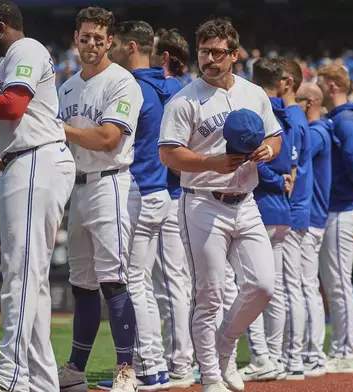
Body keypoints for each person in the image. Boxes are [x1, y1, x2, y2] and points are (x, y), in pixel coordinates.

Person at [158, 18, 281, 392]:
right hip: (202, 203)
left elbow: (275, 137)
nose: (209, 59)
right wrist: (209, 163)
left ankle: (224, 347)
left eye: (217, 52)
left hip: (246, 203)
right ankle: (209, 375)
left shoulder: (253, 93)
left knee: (262, 285)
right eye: (204, 51)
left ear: (234, 54)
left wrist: (267, 151)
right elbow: (168, 154)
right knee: (209, 294)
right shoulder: (184, 99)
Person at [0, 1, 76, 391]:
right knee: (29, 279)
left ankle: (10, 376)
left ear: (0, 27)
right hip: (25, 161)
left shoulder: (26, 48)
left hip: (37, 158)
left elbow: (14, 105)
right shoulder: (10, 59)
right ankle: (41, 380)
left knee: (20, 275)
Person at [55, 8, 143, 392]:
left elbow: (109, 138)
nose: (92, 44)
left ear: (110, 42)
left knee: (112, 280)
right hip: (77, 185)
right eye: (85, 36)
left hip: (110, 183)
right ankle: (75, 369)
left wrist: (60, 128)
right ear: (76, 38)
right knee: (82, 284)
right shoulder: (67, 86)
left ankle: (126, 371)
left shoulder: (122, 82)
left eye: (99, 38)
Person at [109, 19, 183, 389]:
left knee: (133, 281)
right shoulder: (168, 86)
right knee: (154, 283)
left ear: (132, 47)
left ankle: (149, 368)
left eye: (117, 44)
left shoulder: (134, 86)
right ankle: (165, 366)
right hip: (164, 190)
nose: (112, 49)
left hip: (140, 186)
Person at [237, 58, 293, 383]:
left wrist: (274, 179)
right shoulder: (291, 115)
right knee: (277, 288)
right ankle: (276, 356)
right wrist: (286, 178)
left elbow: (257, 161)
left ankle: (263, 357)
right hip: (283, 209)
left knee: (251, 287)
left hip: (260, 207)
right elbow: (292, 162)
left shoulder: (256, 112)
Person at [150, 27, 196, 387]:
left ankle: (179, 363)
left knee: (168, 283)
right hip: (176, 194)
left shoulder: (170, 90)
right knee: (170, 283)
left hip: (169, 194)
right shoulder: (187, 90)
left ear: (164, 57)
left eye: (152, 52)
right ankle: (176, 360)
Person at [316, 64, 353, 374]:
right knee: (334, 284)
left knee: (338, 285)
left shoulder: (346, 119)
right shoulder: (341, 118)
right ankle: (341, 349)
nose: (317, 87)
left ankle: (344, 352)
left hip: (343, 208)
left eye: (320, 82)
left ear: (333, 85)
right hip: (337, 208)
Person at [277, 58, 311, 380]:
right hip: (296, 210)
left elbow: (291, 171)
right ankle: (294, 357)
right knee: (292, 286)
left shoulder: (293, 117)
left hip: (293, 210)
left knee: (290, 287)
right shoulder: (296, 116)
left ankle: (294, 359)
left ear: (286, 82)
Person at [295, 82, 328, 377]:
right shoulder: (319, 131)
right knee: (305, 286)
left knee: (305, 286)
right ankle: (311, 353)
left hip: (311, 216)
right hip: (313, 215)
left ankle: (313, 354)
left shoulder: (315, 132)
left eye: (297, 100)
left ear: (310, 102)